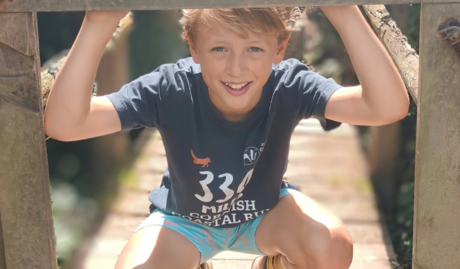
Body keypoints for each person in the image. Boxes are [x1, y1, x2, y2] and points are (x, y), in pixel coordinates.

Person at [44, 5, 409, 269]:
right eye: (219, 48)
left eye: (254, 48)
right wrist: (98, 22)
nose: (237, 69)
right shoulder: (170, 88)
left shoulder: (289, 84)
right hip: (184, 220)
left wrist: (343, 10)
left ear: (279, 49)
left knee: (332, 247)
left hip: (264, 214)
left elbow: (386, 107)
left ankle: (273, 266)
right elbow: (66, 124)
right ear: (194, 48)